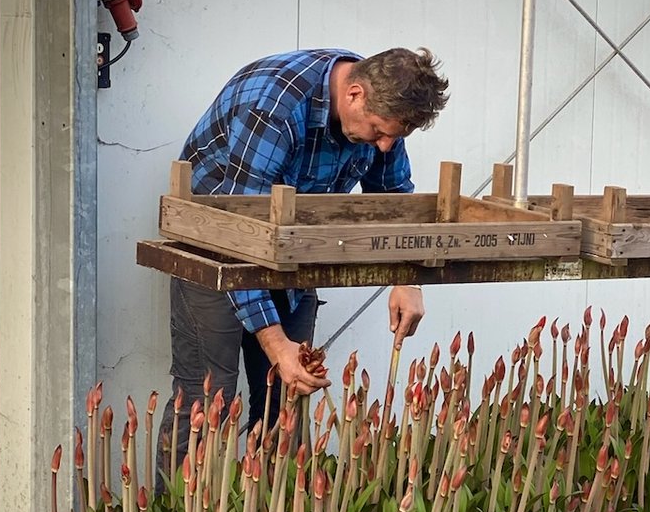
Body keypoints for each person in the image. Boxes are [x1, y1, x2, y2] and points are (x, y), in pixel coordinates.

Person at [157, 46, 449, 471]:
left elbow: (393, 198)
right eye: (378, 131)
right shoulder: (275, 108)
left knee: (286, 396)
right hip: (213, 248)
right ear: (353, 95)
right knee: (207, 399)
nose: (385, 145)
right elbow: (241, 237)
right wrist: (276, 344)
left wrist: (407, 278)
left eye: (395, 137)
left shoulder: (380, 107)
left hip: (289, 252)